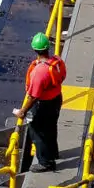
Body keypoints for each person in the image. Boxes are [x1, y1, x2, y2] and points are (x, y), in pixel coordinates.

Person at [13, 32, 66, 173]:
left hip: (43, 105)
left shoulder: (39, 72)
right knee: (51, 127)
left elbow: (33, 96)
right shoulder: (57, 61)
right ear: (48, 47)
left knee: (38, 133)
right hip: (56, 100)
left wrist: (22, 111)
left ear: (35, 50)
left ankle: (46, 163)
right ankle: (54, 153)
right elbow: (62, 77)